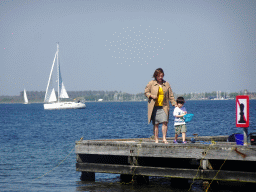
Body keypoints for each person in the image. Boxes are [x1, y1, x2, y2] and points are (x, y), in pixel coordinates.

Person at [145, 68, 176, 144]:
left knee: (165, 122)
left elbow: (170, 95)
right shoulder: (151, 83)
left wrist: (174, 103)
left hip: (164, 106)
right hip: (154, 107)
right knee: (156, 124)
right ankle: (156, 139)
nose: (160, 77)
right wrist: (151, 95)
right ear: (155, 76)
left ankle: (164, 138)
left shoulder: (166, 84)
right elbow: (146, 92)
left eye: (161, 76)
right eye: (159, 76)